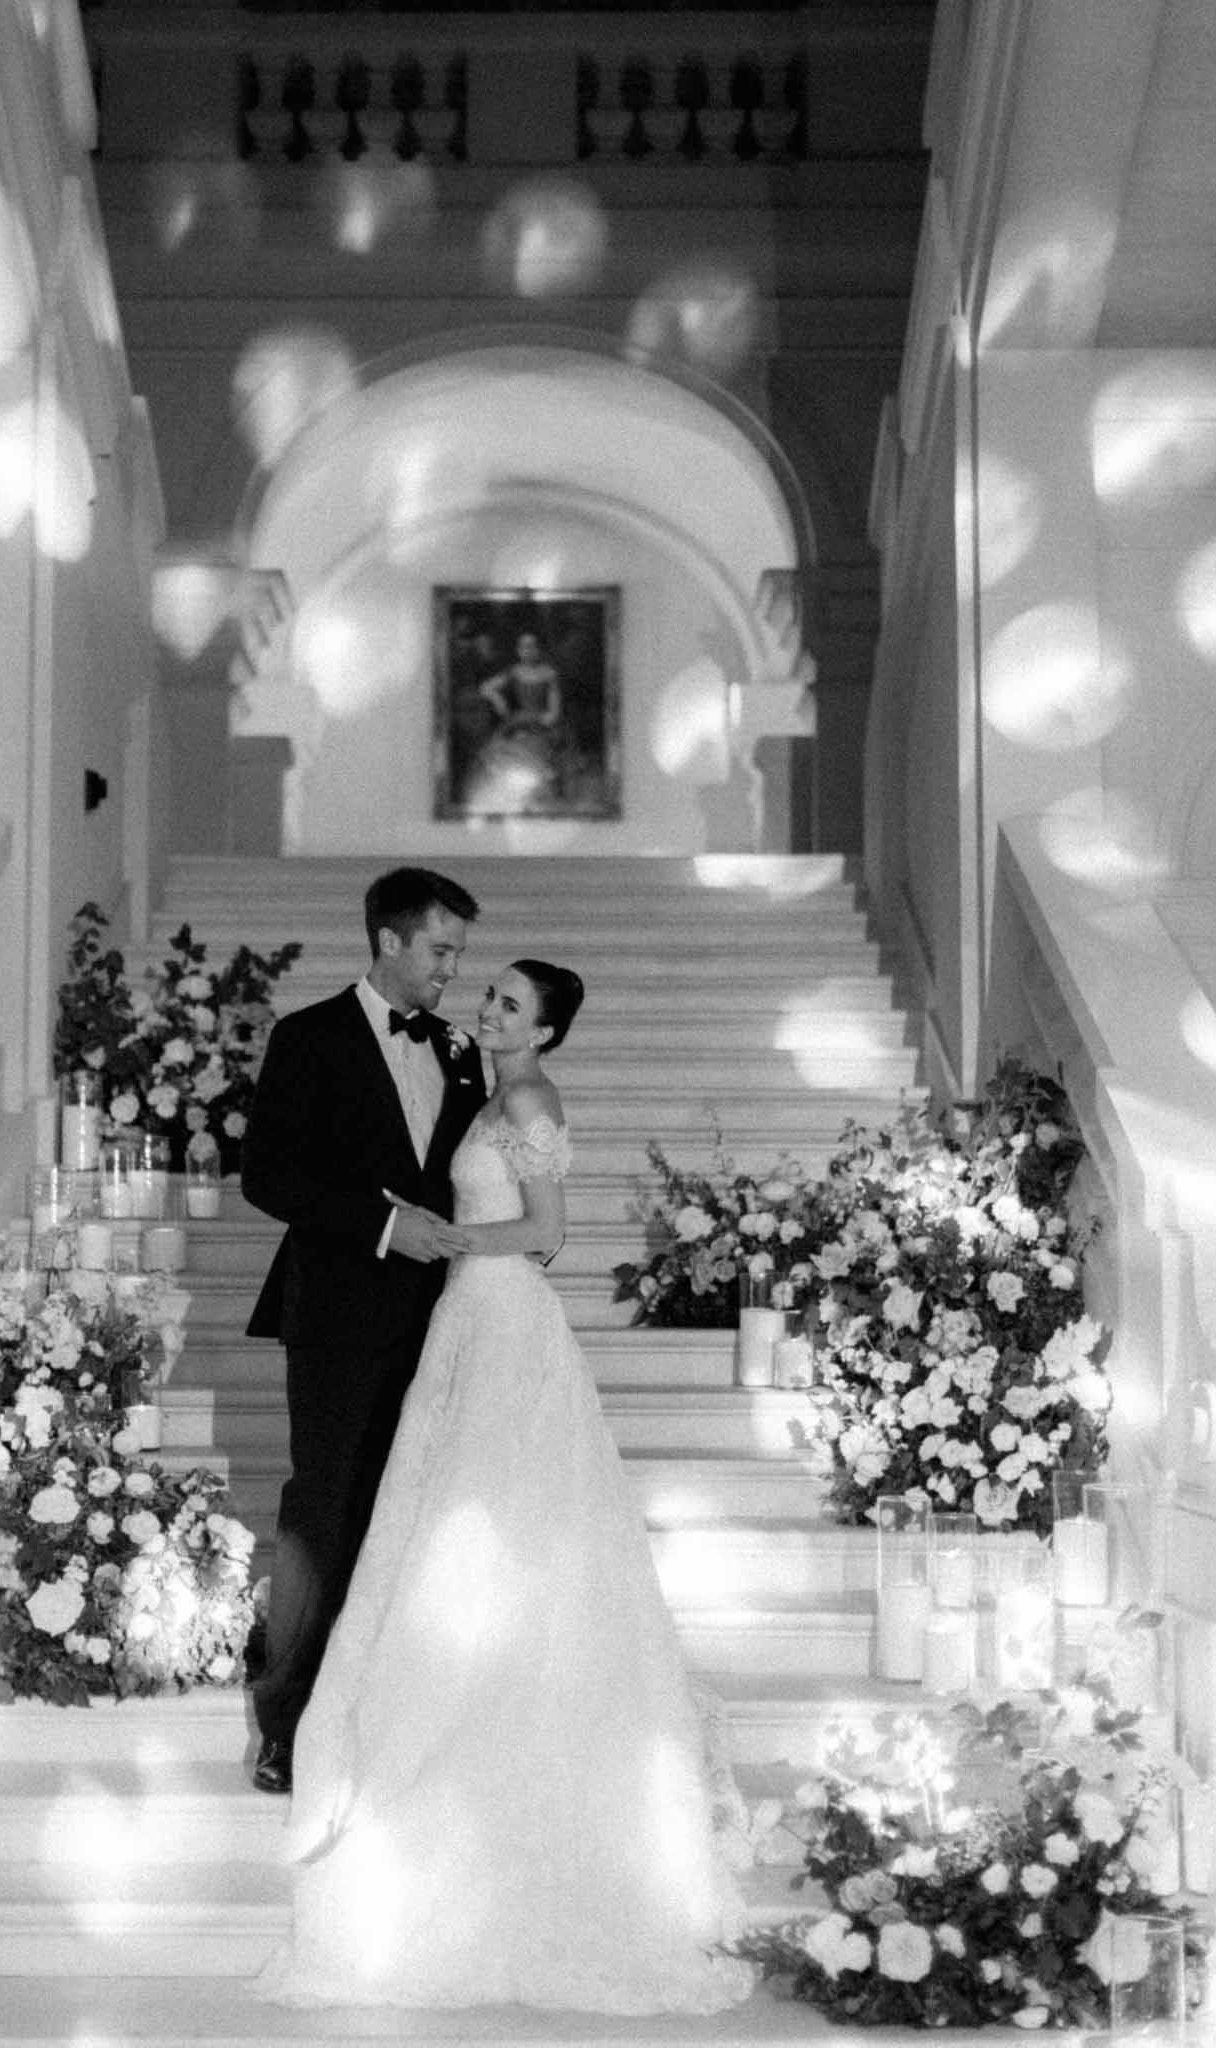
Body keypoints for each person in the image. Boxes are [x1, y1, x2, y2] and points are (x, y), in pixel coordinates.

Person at [254, 961, 754, 2014]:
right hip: (460, 1316)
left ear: (549, 1030)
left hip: (499, 1310)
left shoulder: (526, 1098)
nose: (486, 1010)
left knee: (502, 1516)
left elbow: (548, 1232)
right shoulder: (480, 1091)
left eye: (511, 1007)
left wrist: (446, 1238)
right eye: (488, 997)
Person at [238, 866, 486, 1796]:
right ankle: (287, 1724)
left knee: (417, 1510)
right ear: (389, 940)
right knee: (325, 1511)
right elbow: (268, 1176)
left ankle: (390, 1711)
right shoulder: (307, 1037)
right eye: (440, 950)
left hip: (442, 1319)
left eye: (458, 953)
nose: (452, 970)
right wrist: (385, 1227)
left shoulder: (461, 1050)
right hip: (338, 1314)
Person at [467, 627, 565, 811]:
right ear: (518, 650)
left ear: (539, 649)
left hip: (541, 723)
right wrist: (498, 699)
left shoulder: (549, 674)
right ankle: (514, 795)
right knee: (497, 750)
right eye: (523, 647)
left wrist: (545, 718)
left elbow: (554, 711)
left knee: (533, 748)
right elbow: (485, 687)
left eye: (531, 646)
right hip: (518, 721)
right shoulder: (515, 671)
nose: (527, 651)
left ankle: (542, 784)